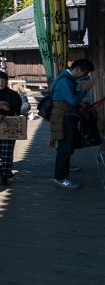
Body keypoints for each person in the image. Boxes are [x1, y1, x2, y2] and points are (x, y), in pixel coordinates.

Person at [50, 58, 95, 189]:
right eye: (84, 73)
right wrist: (83, 90)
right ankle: (60, 178)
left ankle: (62, 174)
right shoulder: (65, 81)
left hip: (66, 115)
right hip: (65, 117)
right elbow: (73, 101)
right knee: (65, 148)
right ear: (77, 69)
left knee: (67, 147)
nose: (84, 76)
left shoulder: (65, 78)